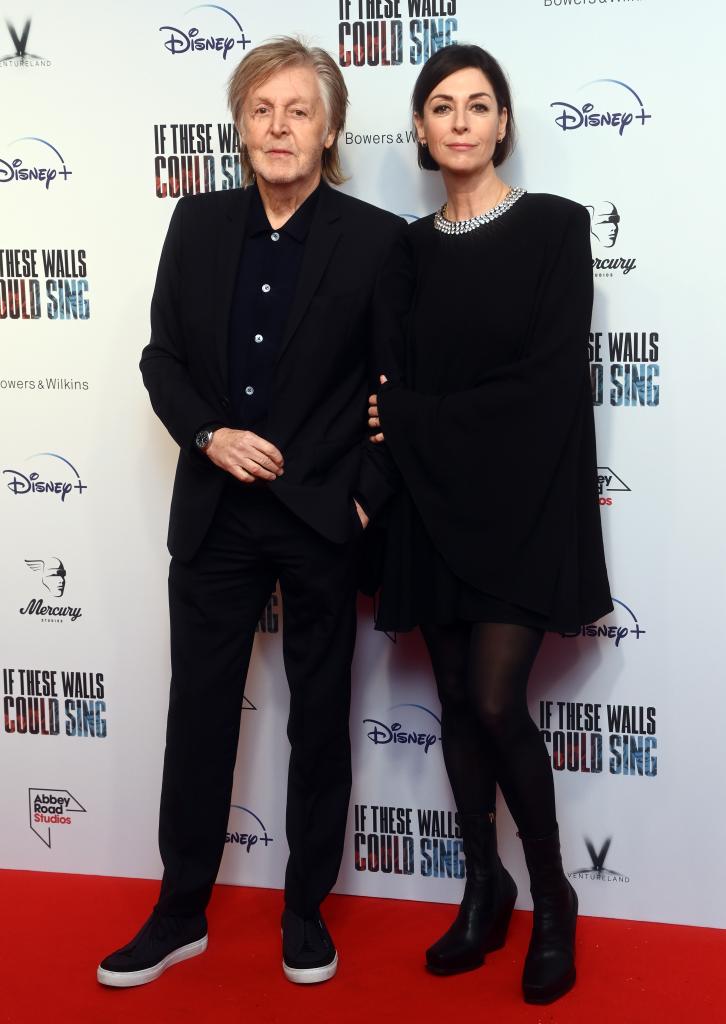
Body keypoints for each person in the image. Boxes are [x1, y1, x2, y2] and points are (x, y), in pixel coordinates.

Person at [97, 37, 401, 989]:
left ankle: (304, 912)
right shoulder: (197, 221)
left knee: (320, 720)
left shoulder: (377, 239)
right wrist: (208, 436)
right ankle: (179, 910)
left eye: (299, 111)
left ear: (331, 128)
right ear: (240, 125)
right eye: (262, 110)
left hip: (322, 520)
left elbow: (401, 387)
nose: (280, 127)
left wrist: (361, 496)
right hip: (217, 516)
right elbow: (162, 362)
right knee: (198, 716)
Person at [368, 44, 611, 1005]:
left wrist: (421, 418)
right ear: (422, 130)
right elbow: (388, 383)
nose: (461, 119)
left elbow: (550, 383)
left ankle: (554, 898)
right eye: (441, 105)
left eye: (479, 104)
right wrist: (412, 421)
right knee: (461, 706)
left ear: (503, 121)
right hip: (432, 506)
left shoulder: (557, 229)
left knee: (500, 700)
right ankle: (485, 888)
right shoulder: (406, 251)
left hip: (524, 504)